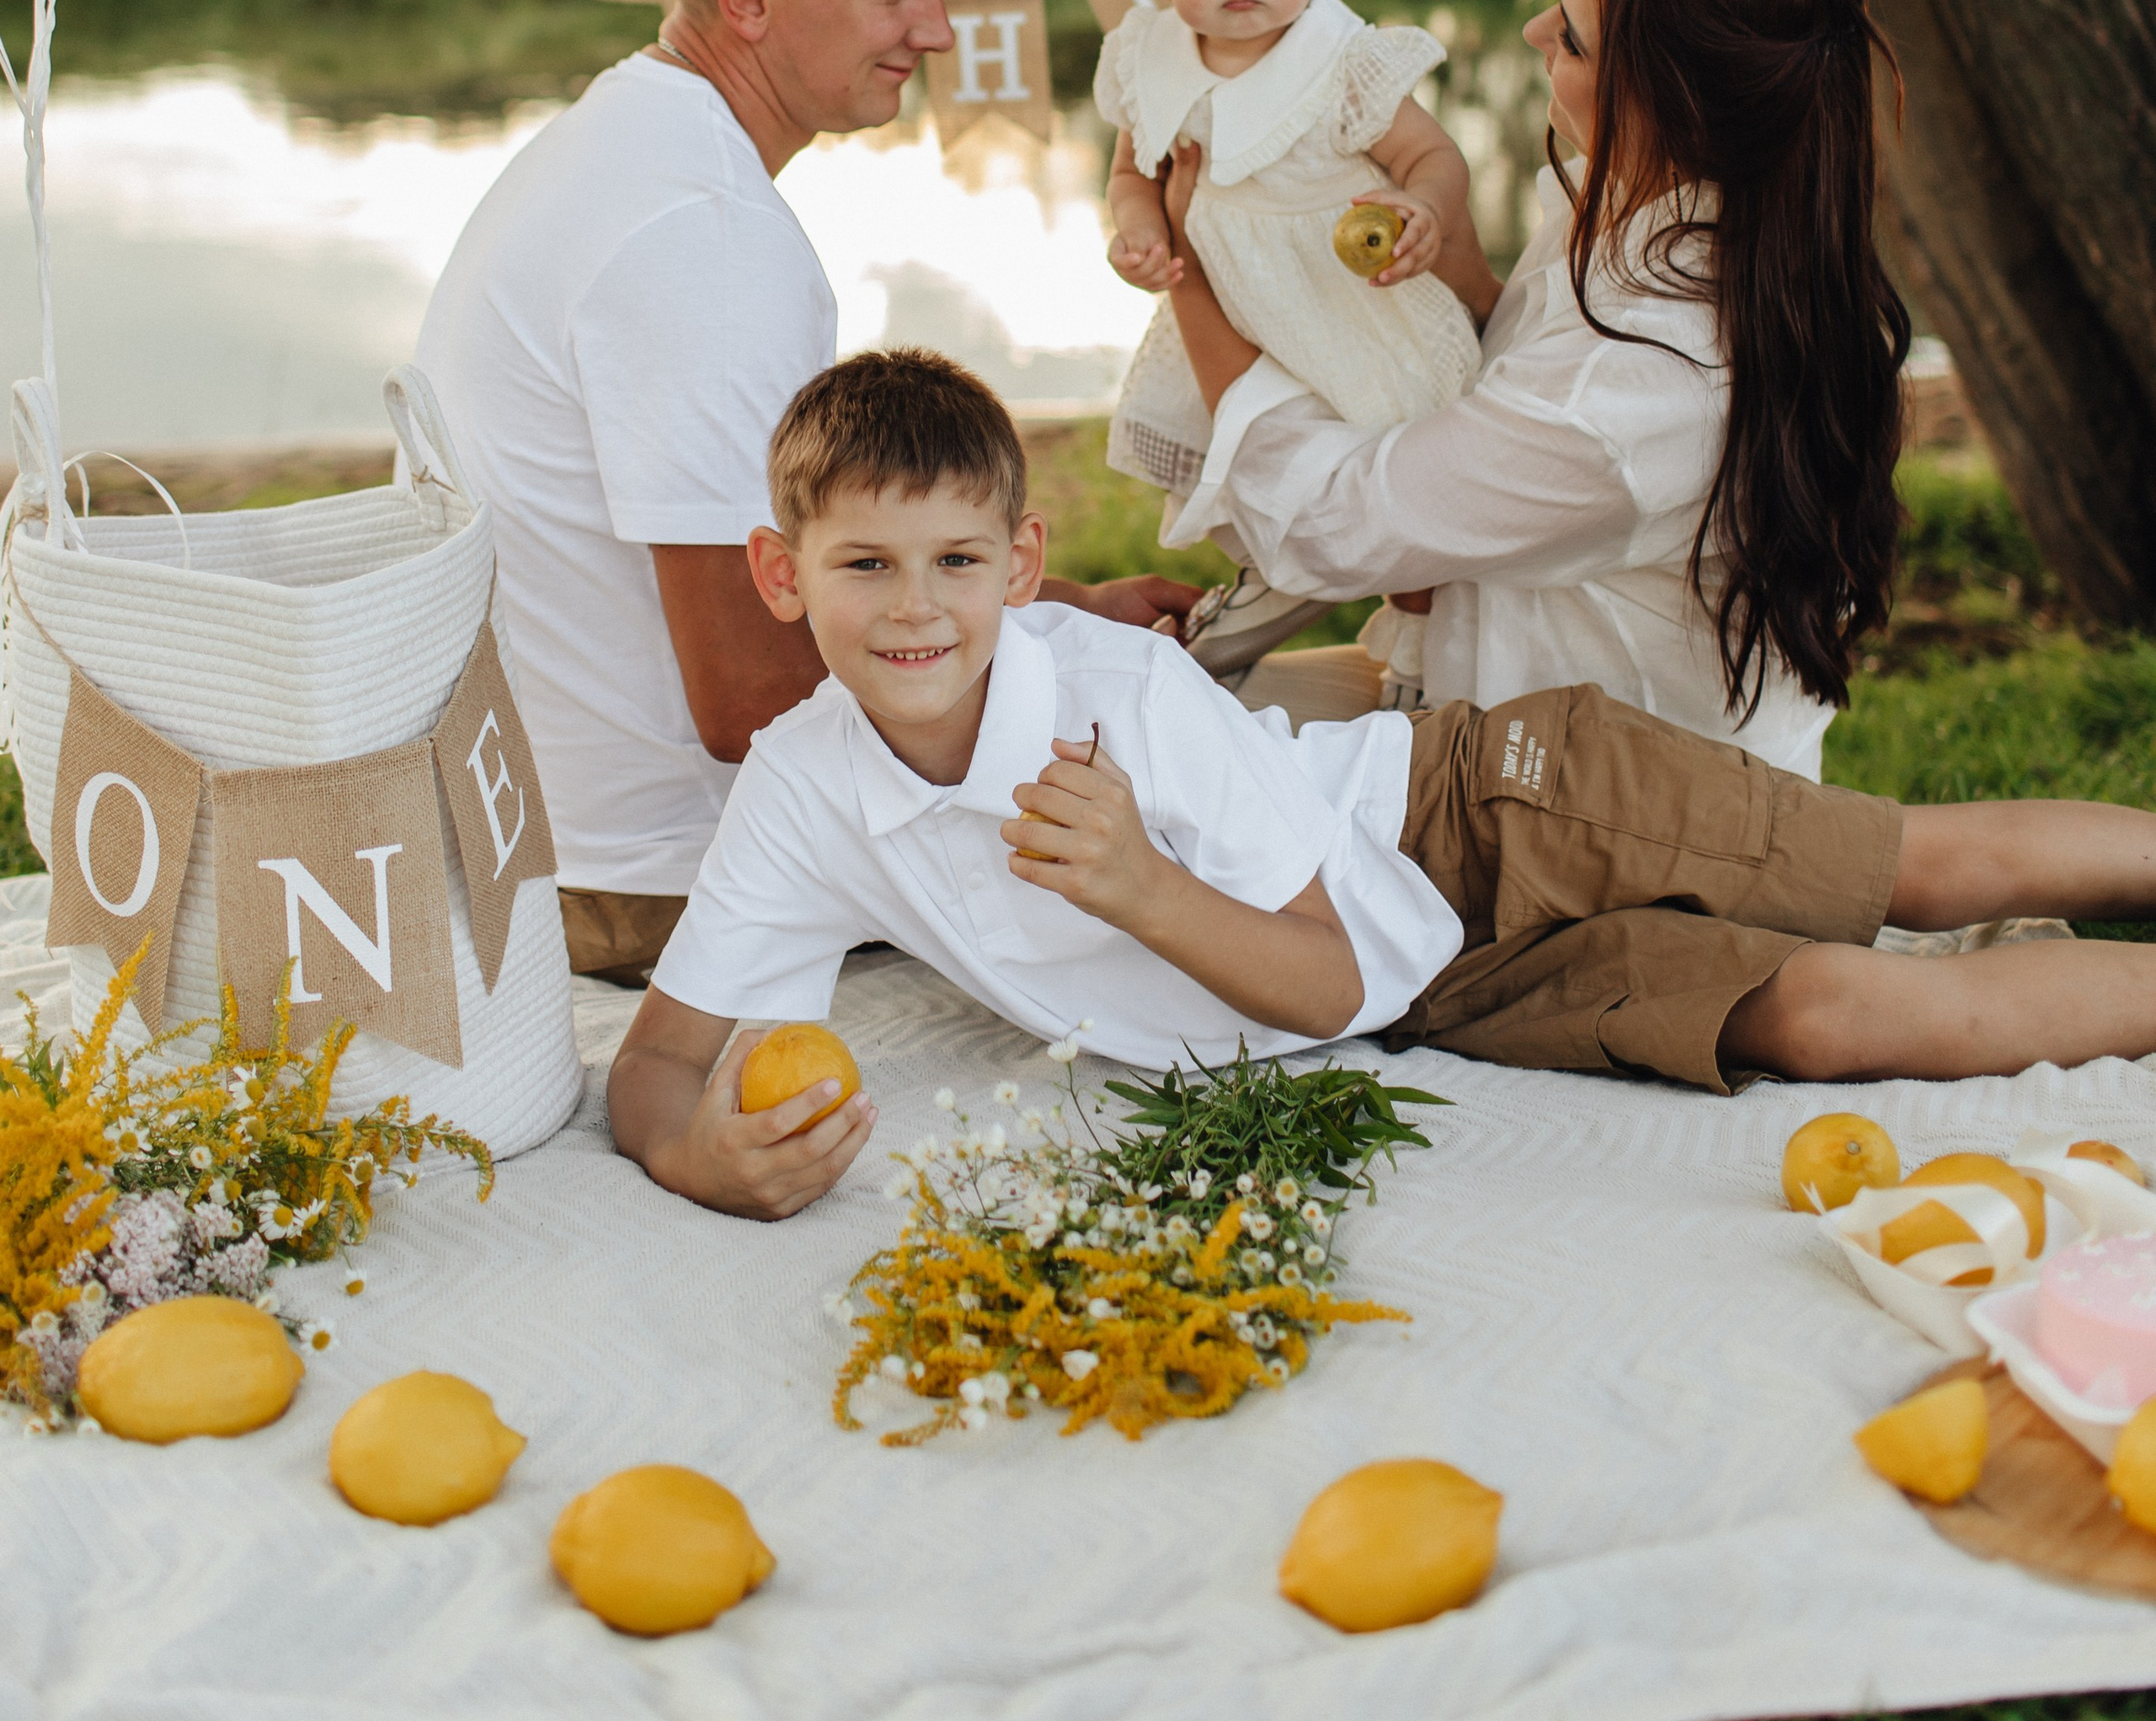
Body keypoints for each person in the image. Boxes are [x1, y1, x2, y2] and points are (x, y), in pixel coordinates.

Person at [607, 349, 2156, 1221]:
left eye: (955, 561)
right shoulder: (805, 789)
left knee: (1909, 876)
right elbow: (659, 1072)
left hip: (1477, 813)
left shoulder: (1122, 700)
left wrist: (1143, 886)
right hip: (1433, 989)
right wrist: (705, 1156)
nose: (914, 610)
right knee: (1824, 1019)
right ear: (780, 575)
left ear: (1022, 568)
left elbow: (1326, 955)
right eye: (862, 566)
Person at [418, 0, 1195, 990]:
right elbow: (753, 694)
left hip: (549, 833)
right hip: (658, 877)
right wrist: (1061, 655)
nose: (935, 29)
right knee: (1222, 821)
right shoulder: (708, 237)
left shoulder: (621, 139)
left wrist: (1068, 609)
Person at [1158, 0, 1908, 779]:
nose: (1534, 33)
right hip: (1486, 710)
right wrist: (1459, 268)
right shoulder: (1661, 216)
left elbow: (1327, 527)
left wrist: (1188, 264)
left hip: (1585, 806)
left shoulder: (1644, 378)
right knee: (1124, 701)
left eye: (1573, 37)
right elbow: (1500, 398)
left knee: (1135, 755)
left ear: (1666, 96)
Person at [1094, 0, 1486, 677]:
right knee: (1251, 473)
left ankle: (1427, 657)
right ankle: (1274, 576)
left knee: (1404, 503)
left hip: (1351, 313)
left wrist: (1422, 207)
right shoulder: (1146, 59)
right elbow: (1131, 172)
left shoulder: (1339, 61)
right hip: (1239, 311)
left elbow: (1434, 157)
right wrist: (1136, 232)